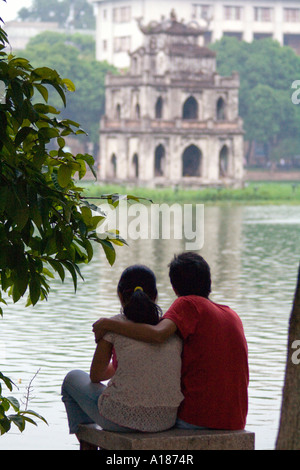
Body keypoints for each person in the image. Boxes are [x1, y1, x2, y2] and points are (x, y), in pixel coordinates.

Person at [93, 252, 249, 431]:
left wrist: (108, 323)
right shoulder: (232, 315)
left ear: (175, 289)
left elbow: (157, 334)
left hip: (197, 419)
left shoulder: (187, 304)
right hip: (235, 420)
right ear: (209, 284)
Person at [61, 264, 183, 435]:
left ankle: (88, 443)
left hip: (121, 419)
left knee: (71, 379)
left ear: (120, 295)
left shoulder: (113, 326)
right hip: (165, 420)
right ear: (155, 296)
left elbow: (96, 376)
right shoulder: (169, 329)